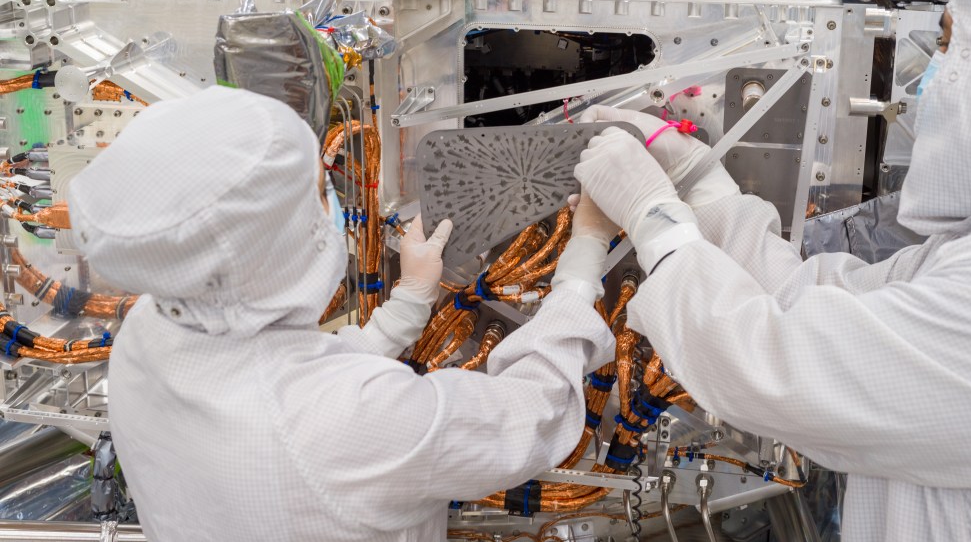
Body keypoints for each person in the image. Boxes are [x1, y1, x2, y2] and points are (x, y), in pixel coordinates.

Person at [572, 0, 971, 540]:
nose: (932, 76)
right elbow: (815, 301)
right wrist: (707, 191)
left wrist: (656, 221)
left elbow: (776, 367)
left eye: (950, 46)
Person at [68, 85, 614, 541]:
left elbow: (280, 381)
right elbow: (530, 417)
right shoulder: (355, 423)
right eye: (317, 192)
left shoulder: (146, 335)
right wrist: (583, 259)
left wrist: (405, 309)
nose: (330, 201)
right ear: (273, 242)